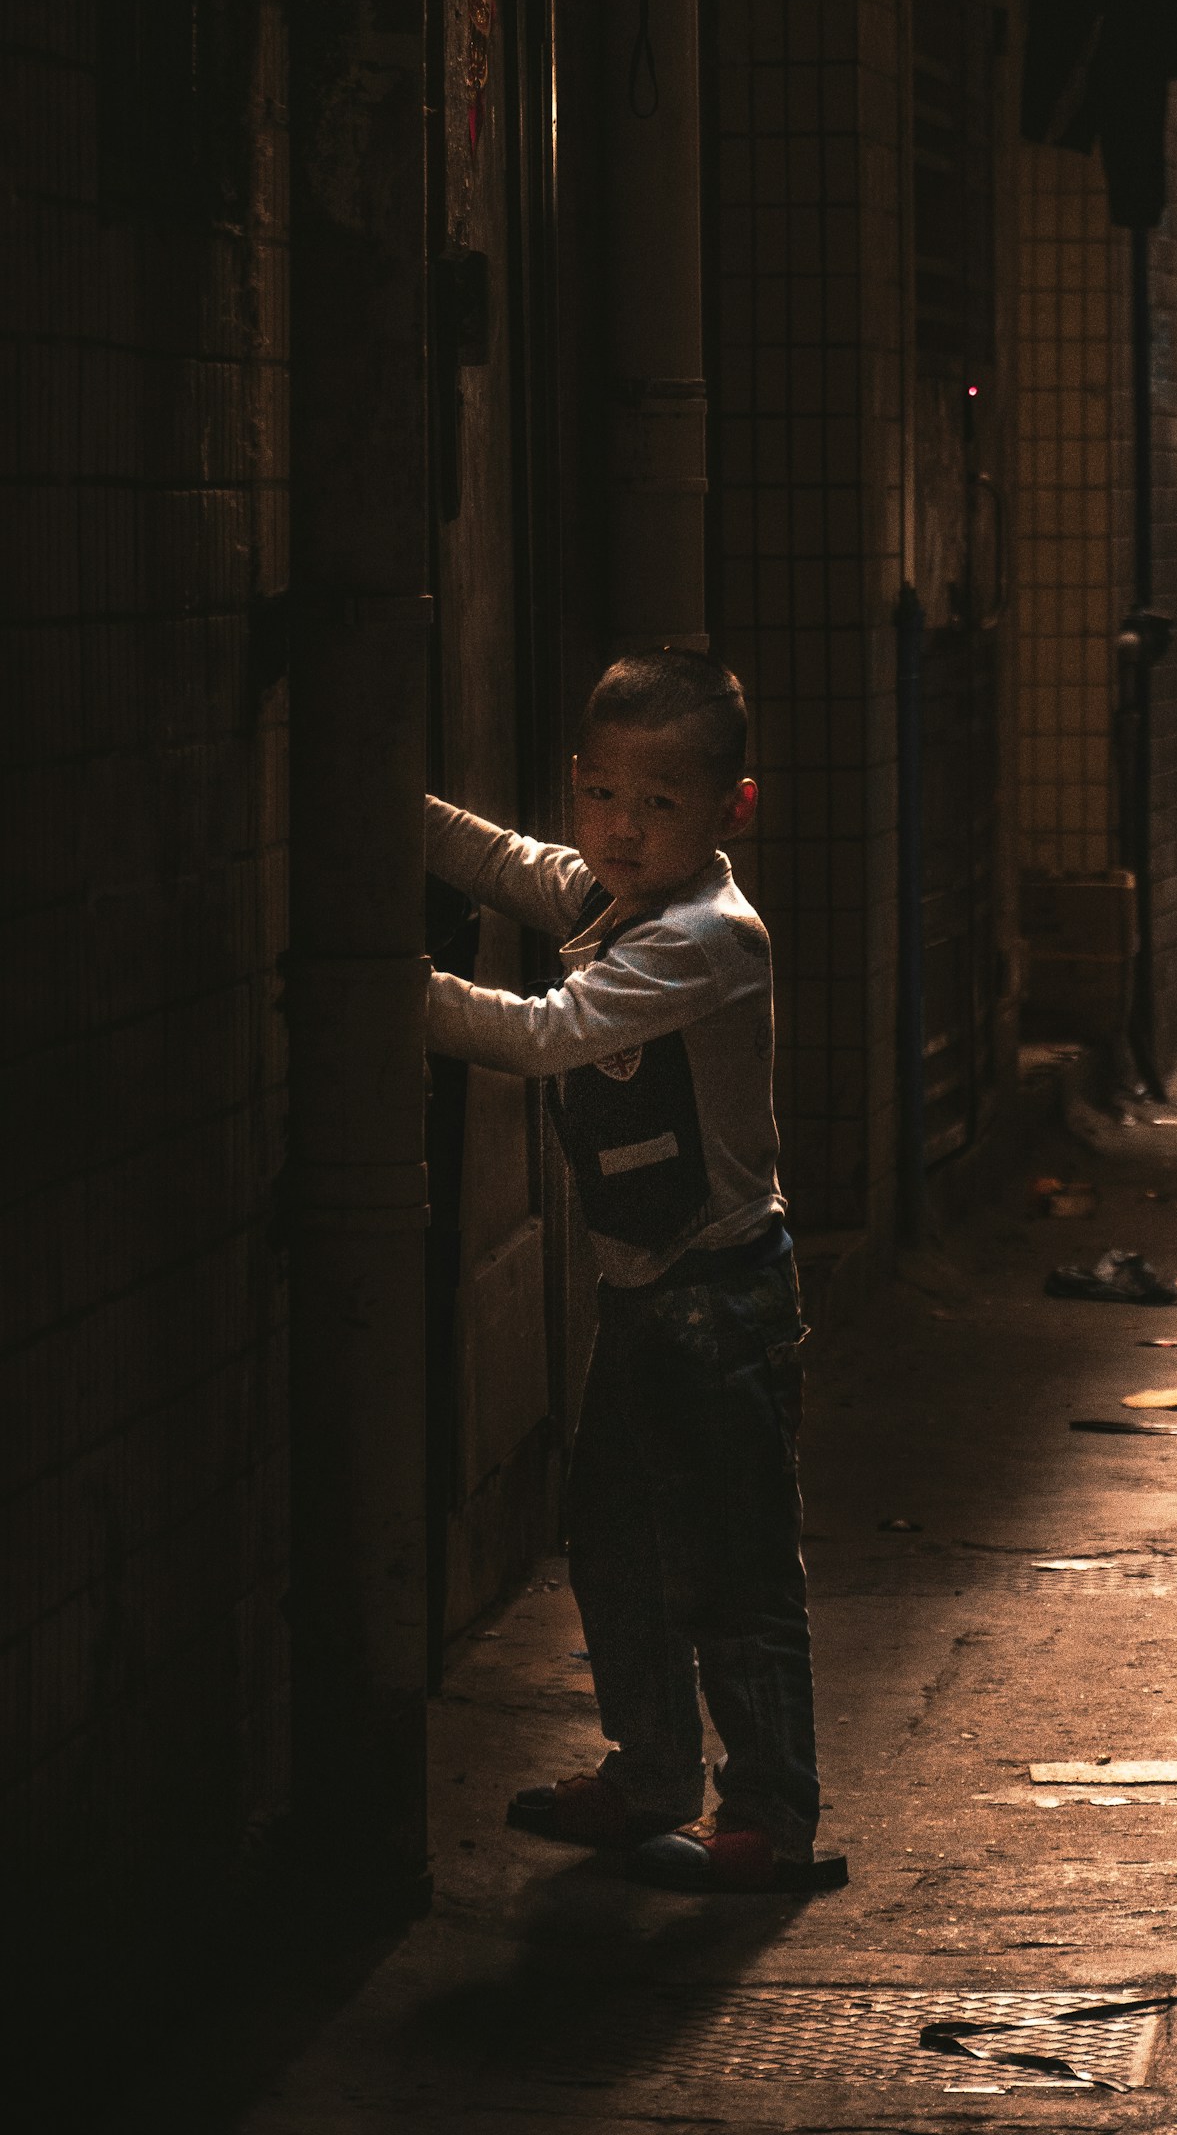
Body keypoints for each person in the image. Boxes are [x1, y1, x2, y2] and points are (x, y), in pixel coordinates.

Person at [423, 651, 817, 1888]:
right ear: (576, 784)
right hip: (647, 1294)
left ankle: (769, 1815)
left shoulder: (709, 939)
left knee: (730, 1569)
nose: (621, 828)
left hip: (722, 1299)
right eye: (600, 795)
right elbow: (512, 865)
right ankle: (650, 1775)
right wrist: (395, 812)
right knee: (613, 1548)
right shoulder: (615, 893)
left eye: (660, 803)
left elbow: (546, 1037)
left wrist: (388, 995)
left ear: (729, 811)